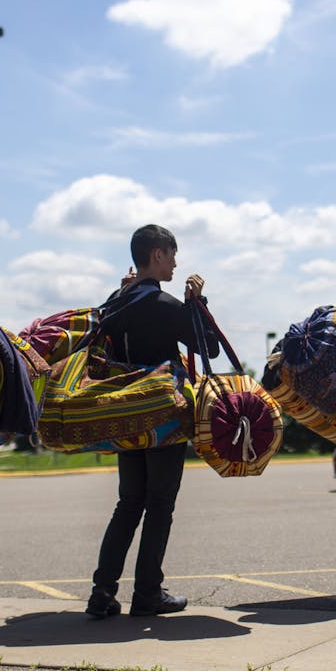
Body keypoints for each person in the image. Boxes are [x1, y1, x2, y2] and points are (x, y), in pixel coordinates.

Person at [86, 224, 215, 619]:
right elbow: (207, 346)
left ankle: (102, 592)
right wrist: (197, 304)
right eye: (172, 255)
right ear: (157, 255)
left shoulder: (115, 302)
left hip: (124, 414)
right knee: (160, 504)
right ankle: (148, 593)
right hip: (162, 416)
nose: (175, 263)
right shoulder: (166, 305)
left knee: (128, 503)